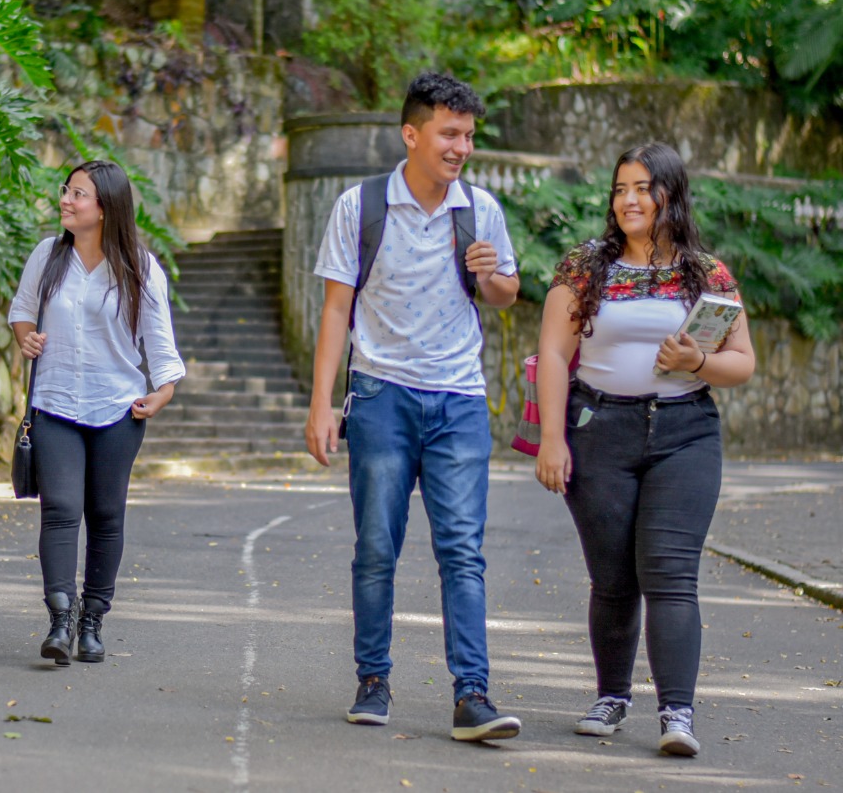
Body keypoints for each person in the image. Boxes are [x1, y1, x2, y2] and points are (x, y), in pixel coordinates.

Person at [304, 72, 523, 739]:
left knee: (462, 548)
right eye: (449, 133)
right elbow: (337, 306)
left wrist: (491, 275)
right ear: (412, 133)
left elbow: (507, 293)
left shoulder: (480, 209)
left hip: (458, 397)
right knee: (377, 544)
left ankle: (473, 693)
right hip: (380, 395)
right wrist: (322, 404)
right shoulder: (361, 205)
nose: (461, 147)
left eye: (468, 135)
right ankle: (373, 678)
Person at [534, 142, 756, 757]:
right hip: (599, 431)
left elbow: (742, 362)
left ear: (669, 194)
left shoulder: (706, 273)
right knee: (612, 579)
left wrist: (698, 361)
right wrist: (553, 438)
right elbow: (553, 352)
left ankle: (677, 715)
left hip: (685, 434)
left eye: (642, 188)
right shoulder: (585, 266)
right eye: (620, 189)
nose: (629, 200)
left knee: (670, 575)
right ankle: (612, 697)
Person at [9, 160, 185, 667]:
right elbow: (21, 310)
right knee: (61, 509)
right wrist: (28, 338)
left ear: (106, 208)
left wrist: (163, 392)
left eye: (78, 194)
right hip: (56, 403)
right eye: (66, 190)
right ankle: (60, 620)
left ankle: (93, 622)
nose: (65, 199)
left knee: (106, 516)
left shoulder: (141, 268)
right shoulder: (48, 256)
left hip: (117, 409)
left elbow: (160, 344)